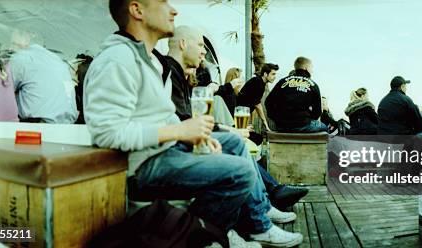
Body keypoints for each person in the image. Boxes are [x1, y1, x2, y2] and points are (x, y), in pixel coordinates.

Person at [84, 1, 302, 247]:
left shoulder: (149, 60)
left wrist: (194, 135)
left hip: (165, 150)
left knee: (232, 142)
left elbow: (161, 118)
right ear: (137, 10)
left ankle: (248, 226)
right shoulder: (117, 59)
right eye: (163, 3)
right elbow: (107, 133)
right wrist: (179, 131)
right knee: (238, 173)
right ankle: (203, 237)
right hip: (142, 166)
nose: (173, 10)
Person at [167, 25, 308, 212]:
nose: (203, 52)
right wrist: (230, 128)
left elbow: (187, 120)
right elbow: (185, 122)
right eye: (200, 46)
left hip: (188, 138)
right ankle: (265, 204)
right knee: (237, 143)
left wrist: (231, 128)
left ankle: (268, 200)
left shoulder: (180, 78)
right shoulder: (168, 73)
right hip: (176, 147)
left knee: (238, 141)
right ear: (183, 44)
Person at [10, 42, 78, 123]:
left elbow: (3, 94)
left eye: (12, 43)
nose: (10, 48)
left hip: (37, 128)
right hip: (69, 128)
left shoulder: (22, 57)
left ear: (27, 35)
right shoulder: (59, 61)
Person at [265, 57, 327, 133]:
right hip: (303, 125)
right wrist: (307, 119)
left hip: (282, 125)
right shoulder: (313, 84)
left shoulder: (282, 81)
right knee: (325, 127)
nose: (312, 71)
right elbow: (317, 112)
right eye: (311, 68)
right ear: (306, 68)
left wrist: (276, 119)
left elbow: (268, 102)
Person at [237, 63, 278, 131]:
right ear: (265, 74)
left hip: (242, 113)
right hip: (240, 114)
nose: (274, 77)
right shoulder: (258, 82)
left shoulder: (260, 82)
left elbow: (253, 103)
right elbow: (257, 105)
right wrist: (265, 123)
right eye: (273, 74)